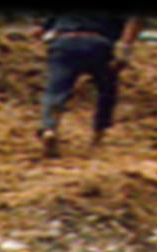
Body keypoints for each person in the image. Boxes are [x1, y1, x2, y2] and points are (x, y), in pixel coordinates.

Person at [33, 13, 143, 157]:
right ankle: (99, 134)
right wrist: (125, 51)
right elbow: (134, 21)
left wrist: (46, 36)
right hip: (98, 44)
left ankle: (49, 128)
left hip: (64, 43)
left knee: (55, 89)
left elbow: (40, 30)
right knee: (107, 89)